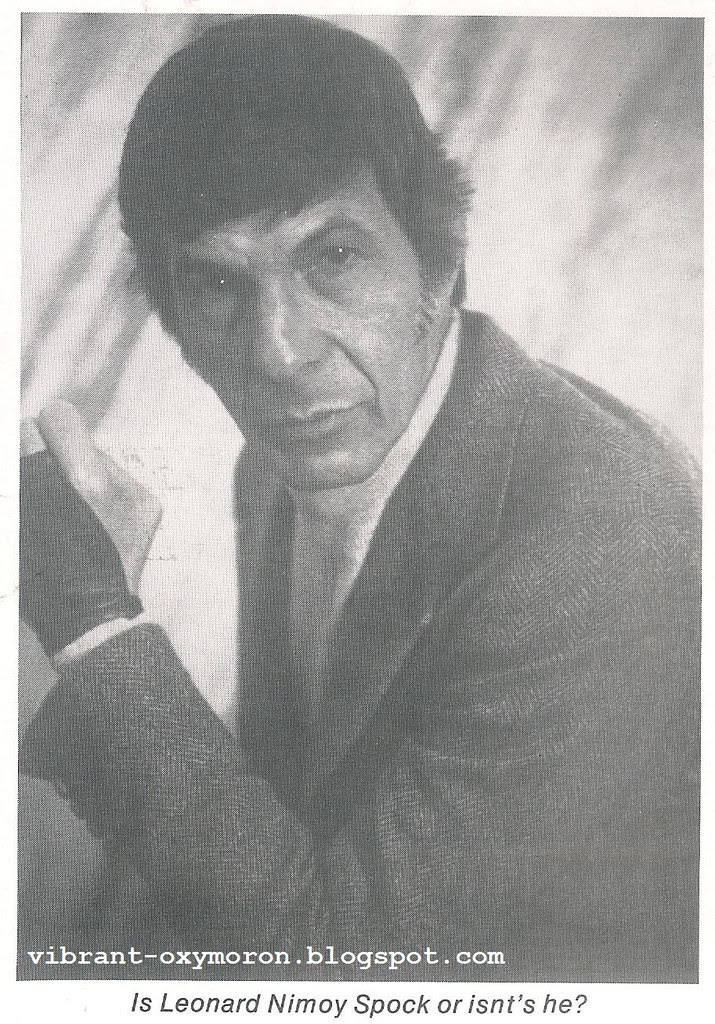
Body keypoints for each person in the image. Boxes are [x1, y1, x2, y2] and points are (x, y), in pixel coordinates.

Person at [19, 15, 700, 983]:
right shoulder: (281, 463)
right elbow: (287, 813)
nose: (279, 354)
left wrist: (97, 630)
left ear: (438, 262)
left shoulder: (602, 538)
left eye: (332, 257)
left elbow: (345, 969)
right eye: (217, 282)